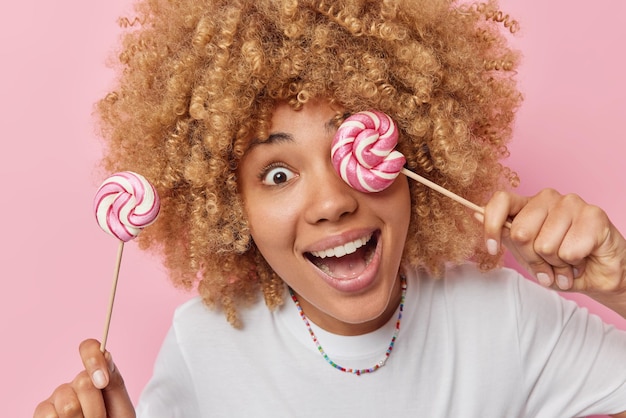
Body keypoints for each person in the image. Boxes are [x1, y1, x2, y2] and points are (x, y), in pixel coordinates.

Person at [34, 0, 626, 416]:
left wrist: (618, 282)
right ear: (229, 206)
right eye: (278, 173)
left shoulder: (504, 318)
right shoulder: (203, 346)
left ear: (413, 153)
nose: (333, 203)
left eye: (351, 147)